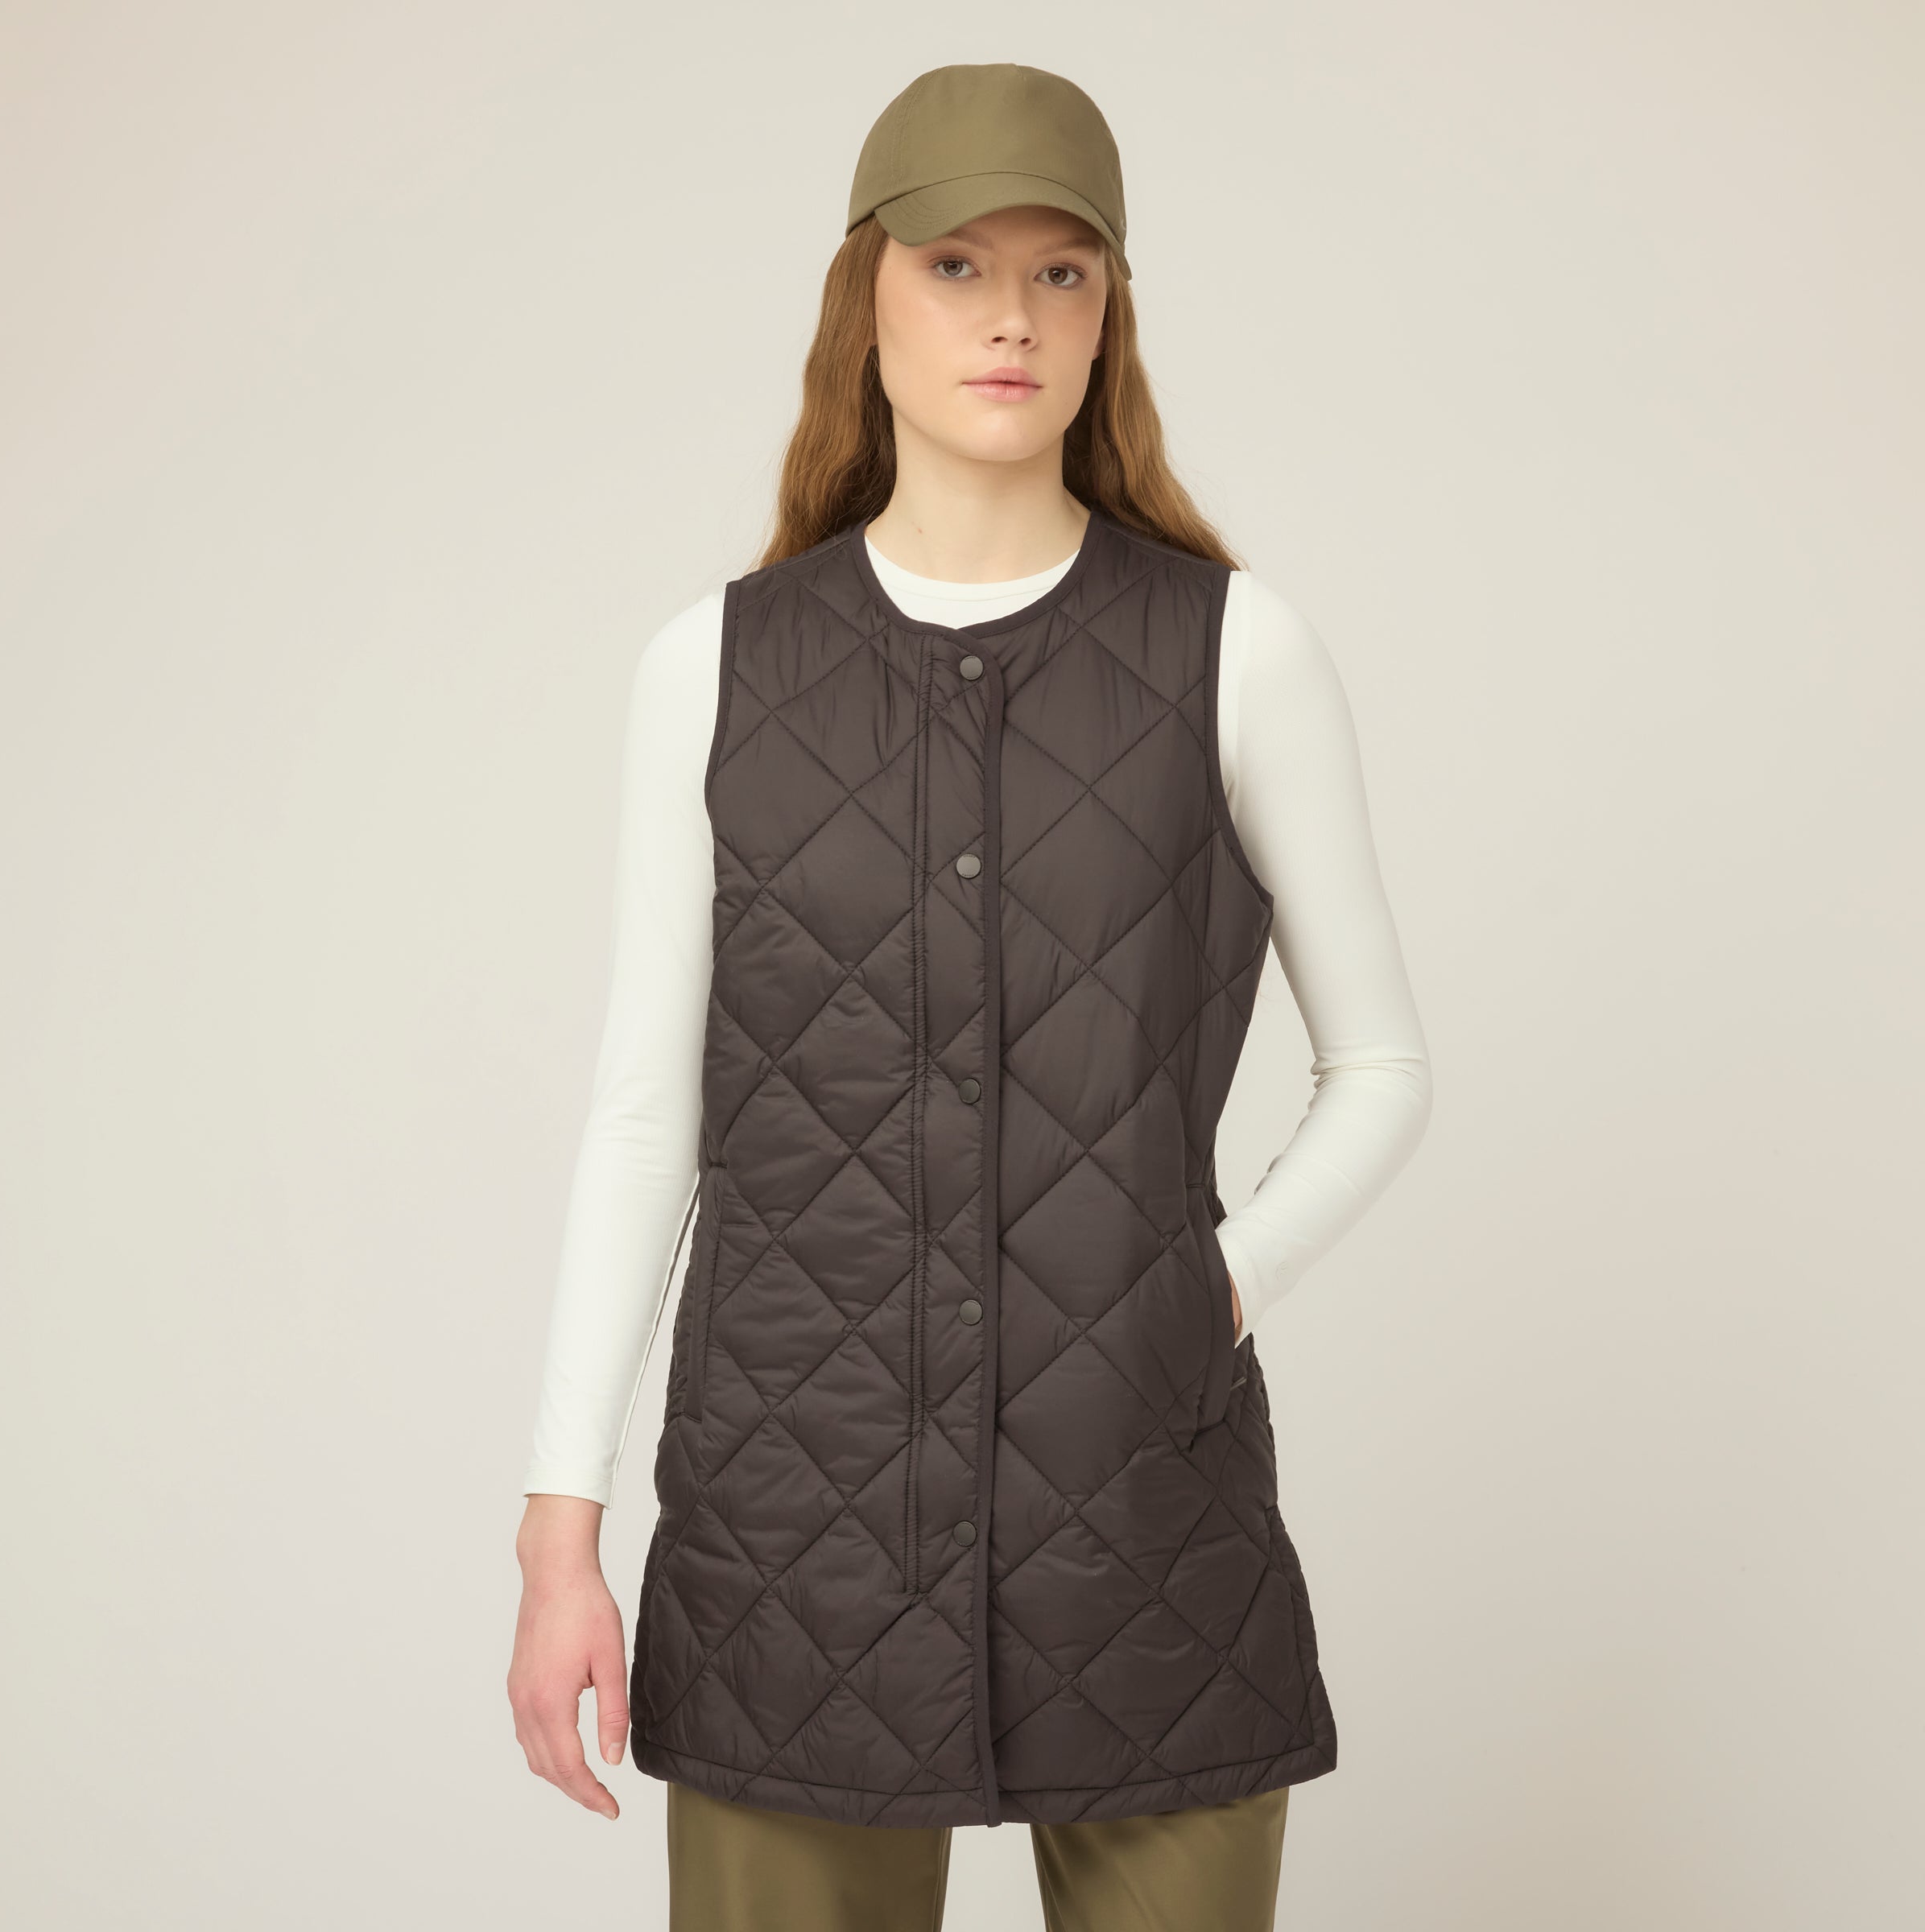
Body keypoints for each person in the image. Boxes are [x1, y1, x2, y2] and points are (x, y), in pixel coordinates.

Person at [507, 62, 1431, 1932]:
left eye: (1060, 272)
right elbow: (647, 1115)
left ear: (1108, 316)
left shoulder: (1237, 650)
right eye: (956, 266)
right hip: (791, 1540)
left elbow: (1383, 1066)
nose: (1011, 315)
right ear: (868, 298)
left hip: (1141, 1522)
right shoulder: (715, 668)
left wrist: (1210, 1290)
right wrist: (559, 1520)